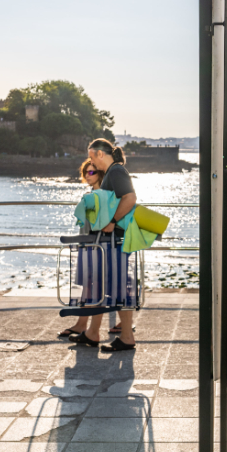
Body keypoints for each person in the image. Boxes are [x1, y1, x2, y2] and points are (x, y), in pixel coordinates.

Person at [69, 139, 138, 352]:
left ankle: (126, 338)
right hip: (110, 241)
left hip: (114, 240)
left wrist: (112, 222)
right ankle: (94, 332)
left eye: (91, 157)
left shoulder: (116, 172)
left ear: (100, 154)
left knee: (119, 287)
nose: (91, 162)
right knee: (106, 286)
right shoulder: (112, 173)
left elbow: (130, 198)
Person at [58, 158, 121, 338]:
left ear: (101, 173)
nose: (87, 175)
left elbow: (98, 223)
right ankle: (81, 324)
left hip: (97, 245)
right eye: (86, 171)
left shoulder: (102, 194)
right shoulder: (93, 193)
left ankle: (92, 332)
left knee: (96, 287)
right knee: (86, 286)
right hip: (87, 244)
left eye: (91, 171)